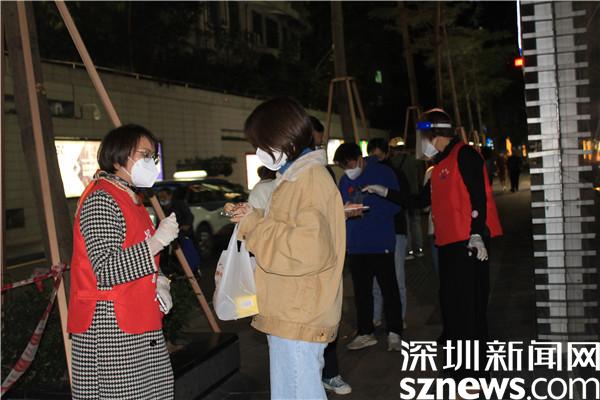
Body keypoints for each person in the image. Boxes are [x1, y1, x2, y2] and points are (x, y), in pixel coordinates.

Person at [223, 98, 346, 400]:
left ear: (283, 138)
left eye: (261, 143)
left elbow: (305, 251)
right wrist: (254, 217)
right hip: (295, 310)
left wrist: (254, 224)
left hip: (298, 314)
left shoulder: (308, 181)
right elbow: (295, 232)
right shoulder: (297, 178)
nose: (259, 151)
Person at [68, 124, 178, 399]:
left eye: (153, 156)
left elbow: (139, 254)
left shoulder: (131, 199)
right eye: (144, 154)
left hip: (137, 317)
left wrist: (160, 281)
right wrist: (158, 241)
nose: (151, 162)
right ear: (118, 157)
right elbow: (105, 269)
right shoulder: (102, 199)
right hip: (111, 326)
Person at [409, 109, 502, 382]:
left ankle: (474, 374)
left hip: (468, 245)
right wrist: (385, 193)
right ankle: (459, 369)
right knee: (452, 310)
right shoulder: (439, 165)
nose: (421, 142)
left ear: (432, 134)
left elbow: (478, 197)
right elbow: (419, 201)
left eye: (422, 136)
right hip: (447, 246)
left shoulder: (465, 155)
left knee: (469, 311)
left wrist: (476, 233)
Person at [333, 142, 403, 352]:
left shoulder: (383, 172)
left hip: (380, 242)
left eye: (349, 165)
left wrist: (369, 209)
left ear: (359, 159)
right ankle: (365, 332)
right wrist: (346, 211)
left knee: (389, 289)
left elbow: (396, 204)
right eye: (343, 167)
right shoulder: (344, 180)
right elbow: (340, 206)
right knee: (361, 292)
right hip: (356, 245)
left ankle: (395, 331)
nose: (348, 170)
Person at [310, 115, 352, 395]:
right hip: (302, 264)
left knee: (328, 316)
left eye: (320, 143)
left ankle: (330, 373)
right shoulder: (288, 176)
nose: (319, 148)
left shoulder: (324, 172)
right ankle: (315, 376)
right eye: (315, 142)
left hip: (326, 258)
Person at [363, 138, 409, 329]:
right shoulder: (366, 174)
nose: (375, 160)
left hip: (395, 230)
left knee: (397, 277)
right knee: (376, 279)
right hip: (376, 232)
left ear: (386, 154)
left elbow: (404, 199)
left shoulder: (395, 173)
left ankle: (399, 317)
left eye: (378, 155)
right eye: (372, 156)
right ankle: (376, 316)